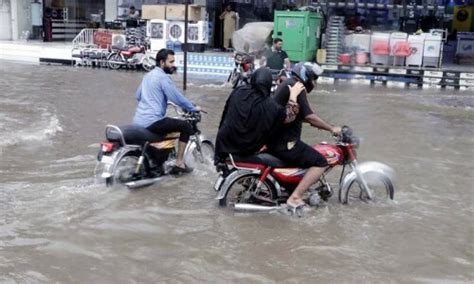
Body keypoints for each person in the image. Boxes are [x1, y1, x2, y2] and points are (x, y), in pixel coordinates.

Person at [267, 62, 342, 210]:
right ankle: (295, 197)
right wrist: (332, 128)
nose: (314, 83)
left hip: (275, 139)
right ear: (305, 76)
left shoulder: (289, 83)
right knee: (321, 161)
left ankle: (292, 189)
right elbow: (310, 117)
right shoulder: (297, 87)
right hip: (285, 143)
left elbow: (303, 116)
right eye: (313, 79)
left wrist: (321, 125)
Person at [133, 49, 200, 175]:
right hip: (153, 121)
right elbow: (176, 97)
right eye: (171, 62)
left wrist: (155, 101)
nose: (173, 65)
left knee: (169, 124)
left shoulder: (147, 76)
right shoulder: (163, 78)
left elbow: (138, 96)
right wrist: (193, 107)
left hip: (138, 121)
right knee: (185, 126)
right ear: (162, 62)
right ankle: (179, 163)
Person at [215, 68, 305, 162]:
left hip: (223, 144)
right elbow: (289, 117)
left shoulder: (238, 91)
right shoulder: (272, 106)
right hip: (246, 149)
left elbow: (225, 114)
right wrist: (293, 96)